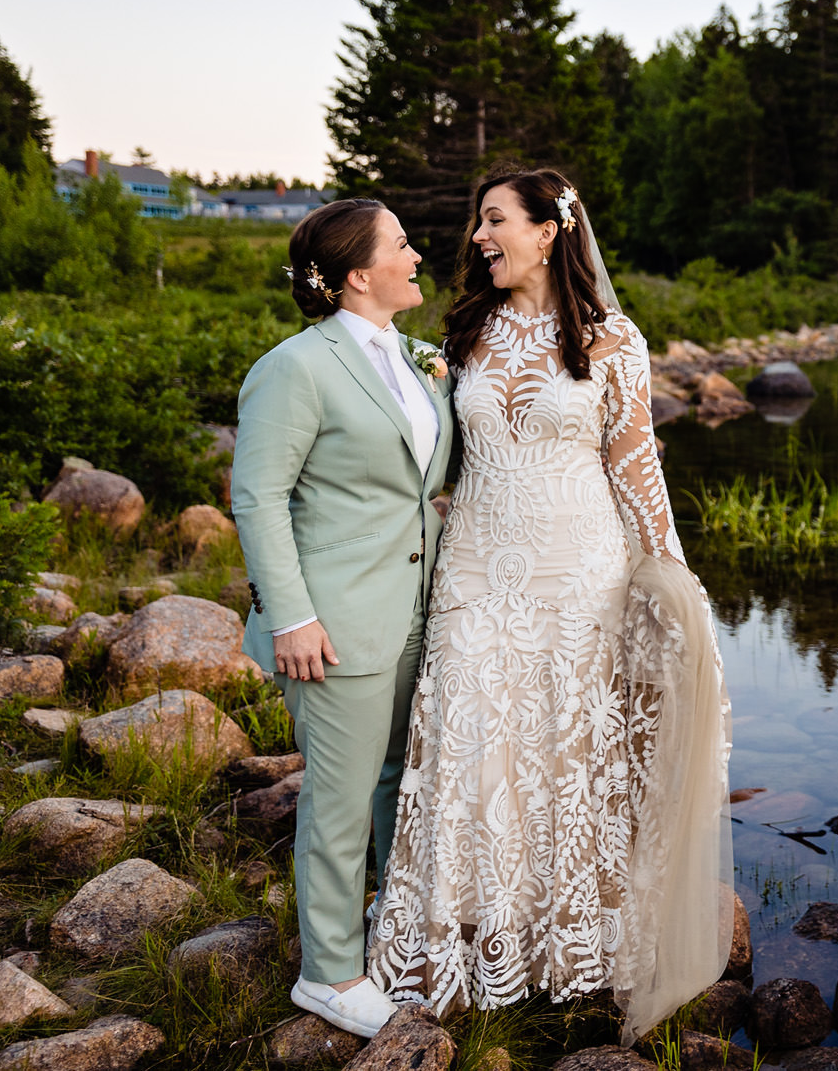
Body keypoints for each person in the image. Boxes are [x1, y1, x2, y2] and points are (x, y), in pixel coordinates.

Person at [369, 169, 732, 1041]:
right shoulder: (466, 329)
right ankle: (466, 942)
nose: (478, 235)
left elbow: (636, 467)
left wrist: (675, 576)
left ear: (548, 231)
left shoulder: (613, 338)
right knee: (473, 745)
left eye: (495, 219)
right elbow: (441, 458)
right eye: (478, 222)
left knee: (569, 754)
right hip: (478, 572)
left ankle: (569, 947)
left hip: (581, 573)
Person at [231, 198, 455, 1037]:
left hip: (417, 614)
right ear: (360, 273)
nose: (416, 255)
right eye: (401, 244)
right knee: (338, 797)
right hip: (332, 623)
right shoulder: (297, 366)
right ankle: (326, 973)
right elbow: (258, 495)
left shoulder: (423, 360)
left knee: (402, 779)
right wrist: (291, 615)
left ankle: (387, 937)